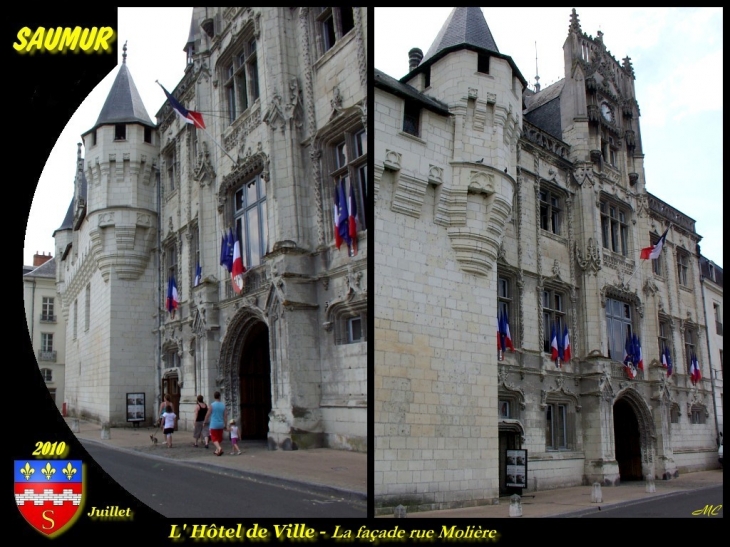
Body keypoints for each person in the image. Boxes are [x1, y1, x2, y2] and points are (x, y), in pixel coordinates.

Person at [205, 391, 227, 456]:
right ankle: (217, 450)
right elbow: (225, 416)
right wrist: (225, 425)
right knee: (219, 438)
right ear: (220, 396)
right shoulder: (223, 405)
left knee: (214, 438)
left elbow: (207, 415)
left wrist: (205, 421)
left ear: (214, 397)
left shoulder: (212, 405)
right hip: (221, 424)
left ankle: (219, 448)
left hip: (214, 424)